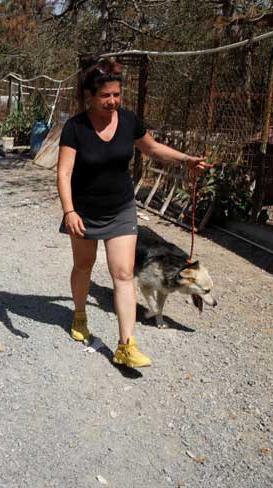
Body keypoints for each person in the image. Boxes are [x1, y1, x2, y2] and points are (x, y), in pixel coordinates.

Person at [57, 58, 210, 367]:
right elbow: (63, 173)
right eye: (105, 96)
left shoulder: (128, 121)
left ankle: (126, 344)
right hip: (84, 210)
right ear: (90, 95)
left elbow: (152, 149)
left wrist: (185, 159)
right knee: (83, 266)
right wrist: (70, 210)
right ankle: (79, 314)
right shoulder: (75, 128)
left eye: (116, 94)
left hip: (122, 208)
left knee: (124, 274)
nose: (112, 101)